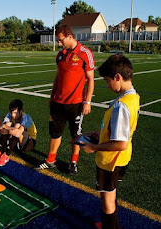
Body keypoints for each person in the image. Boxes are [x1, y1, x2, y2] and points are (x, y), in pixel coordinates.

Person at [80, 54, 140, 229]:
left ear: (118, 77)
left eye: (107, 81)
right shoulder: (133, 96)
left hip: (110, 161)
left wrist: (94, 147)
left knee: (107, 200)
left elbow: (119, 143)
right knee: (111, 195)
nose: (107, 85)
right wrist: (98, 133)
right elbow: (121, 131)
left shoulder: (122, 105)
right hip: (121, 158)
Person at [36, 24, 95, 174]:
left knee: (76, 135)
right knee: (55, 133)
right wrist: (52, 96)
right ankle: (50, 160)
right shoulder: (61, 55)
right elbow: (58, 77)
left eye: (60, 40)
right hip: (57, 102)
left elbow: (91, 80)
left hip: (75, 103)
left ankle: (73, 162)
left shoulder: (84, 53)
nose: (59, 43)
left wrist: (87, 102)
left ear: (70, 36)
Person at [0, 99, 37, 167]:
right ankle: (0, 152)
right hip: (16, 140)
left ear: (21, 111)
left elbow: (18, 132)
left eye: (15, 113)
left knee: (16, 126)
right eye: (11, 112)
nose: (12, 115)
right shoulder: (9, 115)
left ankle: (7, 155)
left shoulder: (26, 117)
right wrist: (6, 127)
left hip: (28, 143)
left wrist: (6, 128)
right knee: (8, 124)